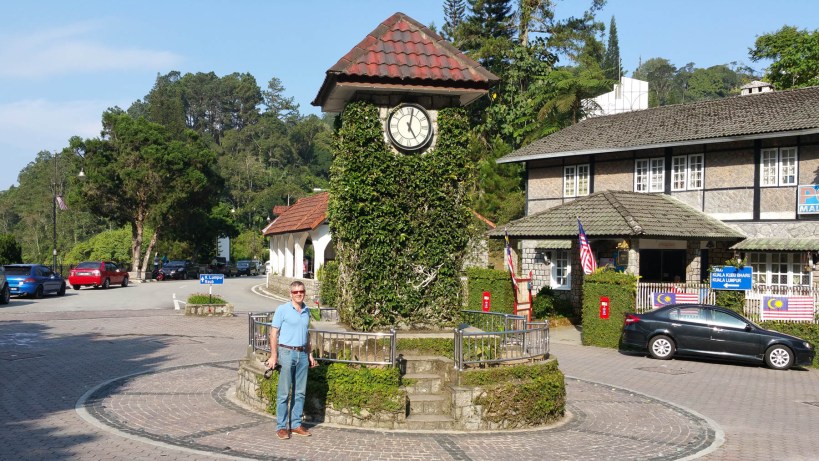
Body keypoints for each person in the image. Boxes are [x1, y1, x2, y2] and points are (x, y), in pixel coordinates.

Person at [266, 281, 317, 440]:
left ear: (304, 293)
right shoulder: (282, 310)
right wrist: (274, 356)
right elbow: (273, 334)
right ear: (290, 294)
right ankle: (281, 427)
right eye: (295, 292)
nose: (298, 294)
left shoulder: (307, 311)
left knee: (300, 392)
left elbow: (306, 334)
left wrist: (309, 354)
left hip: (302, 354)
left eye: (301, 291)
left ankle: (295, 425)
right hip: (286, 353)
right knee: (284, 392)